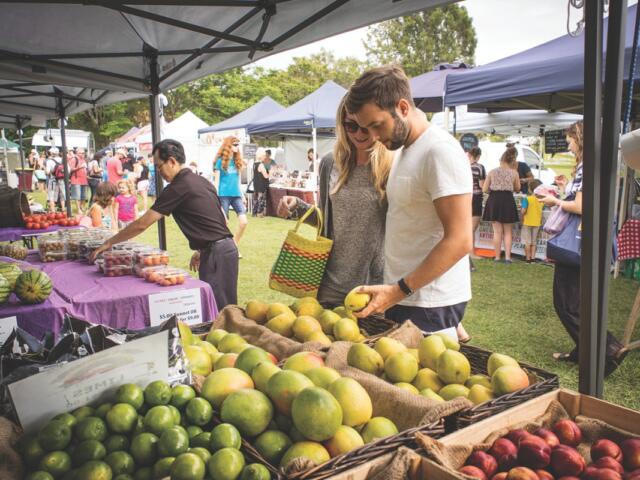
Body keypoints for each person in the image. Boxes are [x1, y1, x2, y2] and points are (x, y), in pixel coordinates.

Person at [344, 65, 473, 333]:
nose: (375, 137)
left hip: (428, 302)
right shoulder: (405, 149)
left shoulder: (439, 151)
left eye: (377, 126)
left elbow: (460, 240)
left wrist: (399, 290)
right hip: (406, 295)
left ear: (403, 107)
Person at [91, 139, 238, 309]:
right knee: (221, 307)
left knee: (221, 310)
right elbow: (221, 219)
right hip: (223, 249)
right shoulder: (201, 181)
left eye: (159, 166)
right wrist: (203, 249)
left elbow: (141, 224)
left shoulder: (177, 187)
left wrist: (108, 243)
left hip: (217, 252)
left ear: (172, 162)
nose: (158, 171)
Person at [278, 97, 393, 306]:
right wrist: (298, 207)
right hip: (329, 283)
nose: (358, 134)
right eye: (351, 126)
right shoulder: (331, 163)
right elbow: (325, 218)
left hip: (371, 286)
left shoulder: (391, 166)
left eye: (366, 127)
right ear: (342, 125)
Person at [539, 121, 627, 375]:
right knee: (579, 301)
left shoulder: (587, 166)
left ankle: (609, 349)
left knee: (567, 303)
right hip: (592, 240)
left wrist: (554, 199)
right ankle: (583, 350)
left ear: (580, 139)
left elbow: (581, 207)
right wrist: (564, 190)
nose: (568, 145)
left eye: (570, 140)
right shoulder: (599, 164)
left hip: (579, 243)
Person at [482, 146, 521, 263]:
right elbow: (518, 188)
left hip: (494, 199)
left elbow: (484, 189)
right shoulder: (514, 173)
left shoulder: (492, 171)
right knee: (508, 231)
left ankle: (497, 257)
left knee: (497, 231)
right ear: (511, 161)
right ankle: (508, 257)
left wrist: (494, 192)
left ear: (501, 160)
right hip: (508, 200)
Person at [214, 136, 248, 253]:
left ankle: (234, 246)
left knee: (244, 222)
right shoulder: (220, 162)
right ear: (229, 145)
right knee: (224, 222)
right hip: (223, 195)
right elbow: (216, 182)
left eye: (238, 145)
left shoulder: (238, 162)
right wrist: (216, 198)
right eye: (235, 144)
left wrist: (242, 196)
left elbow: (238, 182)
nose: (237, 147)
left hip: (236, 195)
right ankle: (222, 248)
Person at [520, 179, 543, 263]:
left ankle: (527, 258)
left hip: (527, 222)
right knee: (533, 242)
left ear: (529, 189)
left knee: (527, 242)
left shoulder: (527, 199)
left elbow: (523, 211)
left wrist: (521, 214)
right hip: (537, 222)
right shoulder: (541, 200)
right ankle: (533, 258)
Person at [468, 146, 486, 258]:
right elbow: (482, 186)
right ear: (479, 156)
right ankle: (470, 253)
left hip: (466, 197)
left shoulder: (465, 167)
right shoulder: (480, 167)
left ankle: (468, 252)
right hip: (476, 197)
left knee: (467, 226)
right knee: (472, 228)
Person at [252, 148, 274, 217]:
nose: (265, 157)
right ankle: (259, 213)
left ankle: (254, 213)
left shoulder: (254, 164)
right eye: (264, 155)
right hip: (261, 184)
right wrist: (270, 172)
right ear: (261, 156)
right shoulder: (261, 165)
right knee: (261, 199)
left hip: (256, 183)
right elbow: (266, 176)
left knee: (256, 199)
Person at [45, 147, 66, 212]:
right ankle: (63, 208)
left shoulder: (49, 161)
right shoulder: (63, 160)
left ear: (51, 153)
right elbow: (68, 170)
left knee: (51, 194)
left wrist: (45, 170)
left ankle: (53, 210)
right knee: (62, 193)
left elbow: (47, 172)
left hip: (53, 179)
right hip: (62, 179)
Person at [69, 148, 89, 214]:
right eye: (81, 153)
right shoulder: (74, 159)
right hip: (76, 179)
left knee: (84, 196)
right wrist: (80, 167)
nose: (83, 154)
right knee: (77, 196)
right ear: (77, 153)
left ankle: (81, 207)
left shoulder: (83, 159)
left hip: (84, 180)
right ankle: (78, 209)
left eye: (83, 153)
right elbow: (71, 169)